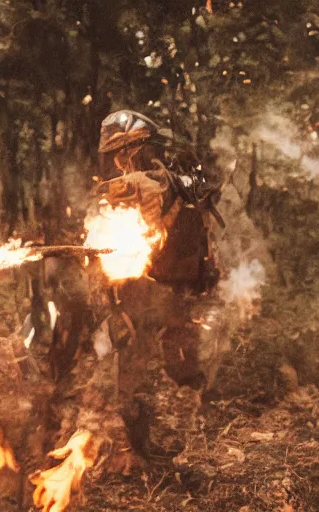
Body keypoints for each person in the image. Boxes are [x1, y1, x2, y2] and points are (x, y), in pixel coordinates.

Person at [78, 110, 225, 465]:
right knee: (174, 366)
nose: (116, 161)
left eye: (120, 153)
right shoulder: (179, 178)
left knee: (139, 369)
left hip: (151, 292)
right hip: (176, 291)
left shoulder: (140, 183)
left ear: (133, 149)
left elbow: (129, 234)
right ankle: (167, 445)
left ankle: (146, 450)